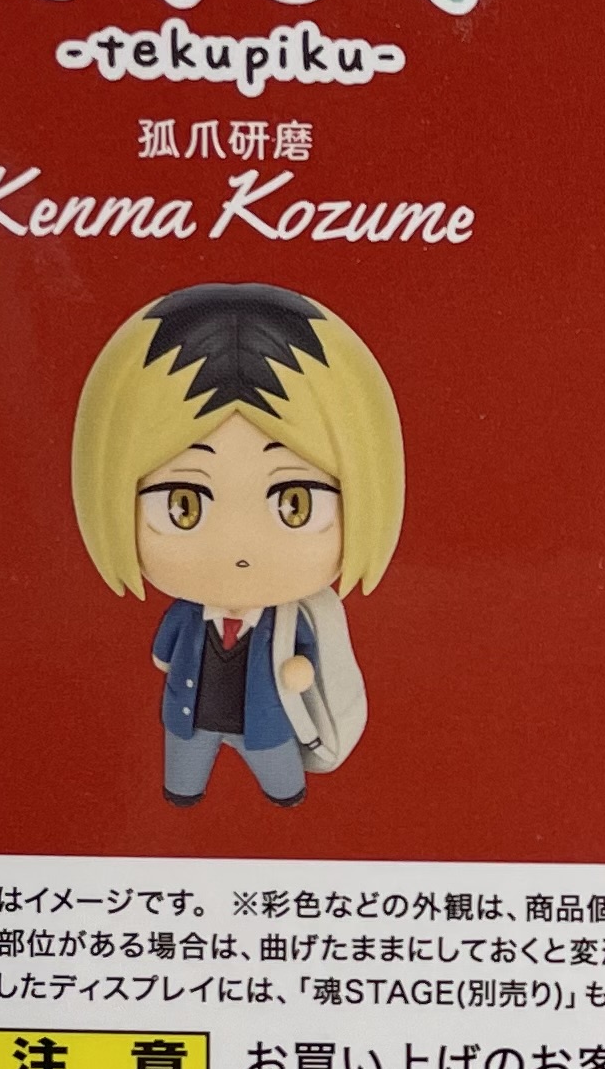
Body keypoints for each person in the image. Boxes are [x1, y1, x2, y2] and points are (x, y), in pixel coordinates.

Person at [69, 282, 404, 802]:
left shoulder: (287, 622)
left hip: (265, 726)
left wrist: (300, 670)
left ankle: (285, 797)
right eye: (183, 504)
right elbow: (163, 656)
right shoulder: (185, 615)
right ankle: (184, 794)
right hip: (188, 721)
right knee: (183, 783)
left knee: (283, 785)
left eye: (295, 502)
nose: (238, 545)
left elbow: (304, 658)